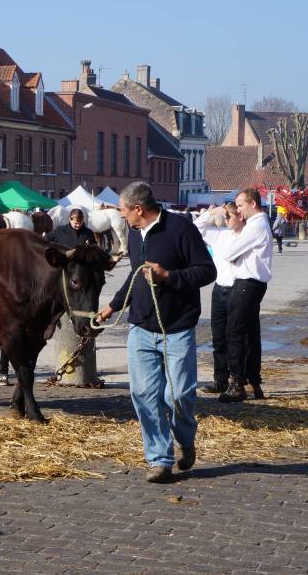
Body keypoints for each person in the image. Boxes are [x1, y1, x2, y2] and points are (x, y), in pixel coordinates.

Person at [96, 182, 216, 483]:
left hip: (177, 328)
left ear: (139, 209)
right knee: (144, 394)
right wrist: (112, 305)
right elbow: (136, 275)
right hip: (141, 327)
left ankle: (185, 440)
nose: (122, 217)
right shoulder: (135, 236)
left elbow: (207, 271)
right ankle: (160, 460)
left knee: (179, 396)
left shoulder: (181, 229)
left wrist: (169, 277)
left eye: (124, 212)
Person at [215, 188, 273, 403]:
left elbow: (228, 253)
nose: (238, 211)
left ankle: (237, 383)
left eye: (240, 206)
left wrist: (235, 256)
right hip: (252, 283)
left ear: (253, 204)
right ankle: (253, 381)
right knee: (249, 332)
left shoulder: (255, 226)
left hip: (248, 283)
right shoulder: (258, 225)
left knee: (235, 332)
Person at [194, 203, 246, 395]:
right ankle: (220, 380)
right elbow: (197, 228)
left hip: (238, 288)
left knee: (235, 337)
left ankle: (237, 379)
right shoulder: (220, 235)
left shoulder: (248, 235)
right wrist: (210, 213)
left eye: (229, 216)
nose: (226, 220)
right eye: (225, 217)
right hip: (219, 289)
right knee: (218, 337)